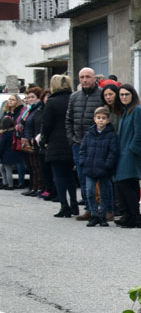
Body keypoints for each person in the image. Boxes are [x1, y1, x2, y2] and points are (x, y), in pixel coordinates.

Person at [65, 66, 103, 217]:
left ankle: (103, 208)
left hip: (97, 143)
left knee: (100, 178)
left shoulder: (101, 95)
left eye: (88, 77)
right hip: (78, 143)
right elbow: (68, 119)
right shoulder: (74, 97)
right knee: (82, 176)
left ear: (94, 79)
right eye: (82, 77)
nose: (85, 80)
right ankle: (88, 208)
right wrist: (72, 139)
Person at [40, 74, 79, 219]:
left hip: (56, 142)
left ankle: (64, 206)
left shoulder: (52, 102)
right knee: (69, 175)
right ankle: (74, 204)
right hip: (71, 140)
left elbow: (47, 124)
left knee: (59, 176)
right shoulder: (73, 98)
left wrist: (43, 139)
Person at [77, 105, 120, 228]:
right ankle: (94, 214)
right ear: (94, 119)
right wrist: (83, 161)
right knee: (90, 191)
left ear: (107, 120)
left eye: (103, 118)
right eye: (98, 118)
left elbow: (113, 151)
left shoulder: (111, 135)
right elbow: (83, 149)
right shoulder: (89, 133)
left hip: (103, 169)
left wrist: (108, 164)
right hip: (90, 167)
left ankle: (103, 215)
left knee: (104, 193)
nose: (101, 120)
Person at [114, 84, 141, 229]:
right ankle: (128, 215)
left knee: (127, 185)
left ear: (132, 95)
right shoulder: (125, 111)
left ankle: (134, 217)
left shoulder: (137, 110)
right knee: (124, 186)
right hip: (123, 153)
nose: (123, 97)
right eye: (121, 95)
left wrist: (132, 150)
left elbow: (140, 134)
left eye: (126, 94)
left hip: (130, 154)